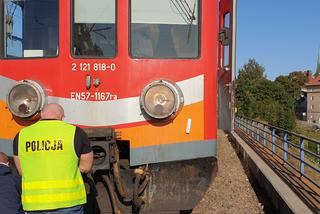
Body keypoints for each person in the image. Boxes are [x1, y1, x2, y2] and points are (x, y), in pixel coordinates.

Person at [13, 103, 93, 213]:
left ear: (41, 114)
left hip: (35, 204)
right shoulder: (76, 133)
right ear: (63, 117)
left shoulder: (22, 135)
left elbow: (21, 171)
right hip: (68, 203)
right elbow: (86, 167)